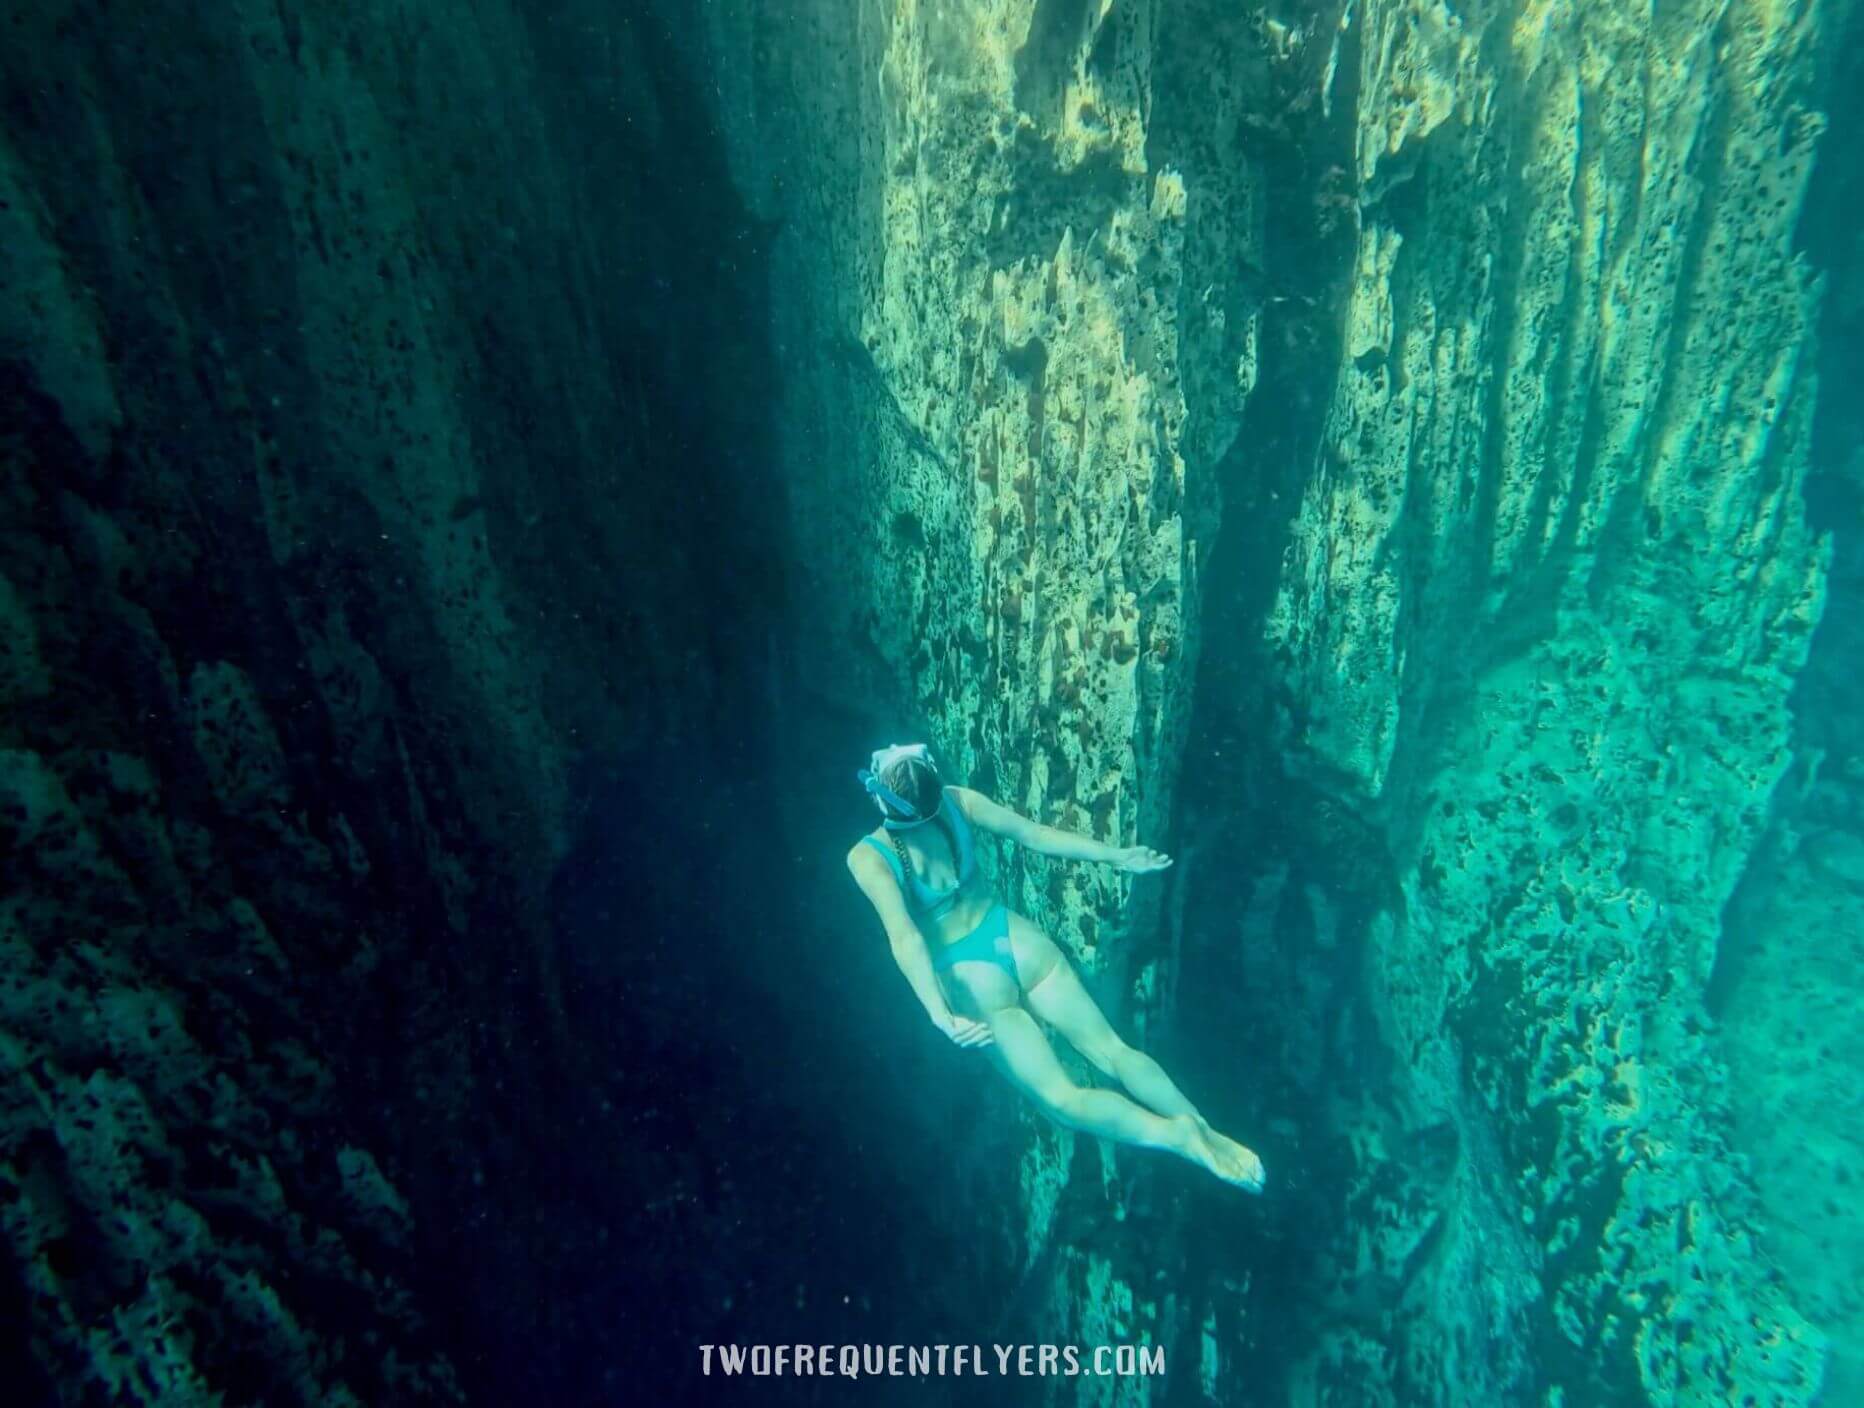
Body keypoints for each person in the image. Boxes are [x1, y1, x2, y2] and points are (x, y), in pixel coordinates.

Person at [847, 742, 1265, 1191]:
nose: (890, 746)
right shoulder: (958, 800)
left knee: (1062, 1100)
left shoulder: (868, 857)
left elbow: (906, 936)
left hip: (973, 979)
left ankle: (1178, 1137)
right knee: (1113, 1050)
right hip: (1017, 940)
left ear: (879, 797)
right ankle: (1203, 1125)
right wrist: (1116, 855)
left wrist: (940, 1015)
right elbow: (1036, 835)